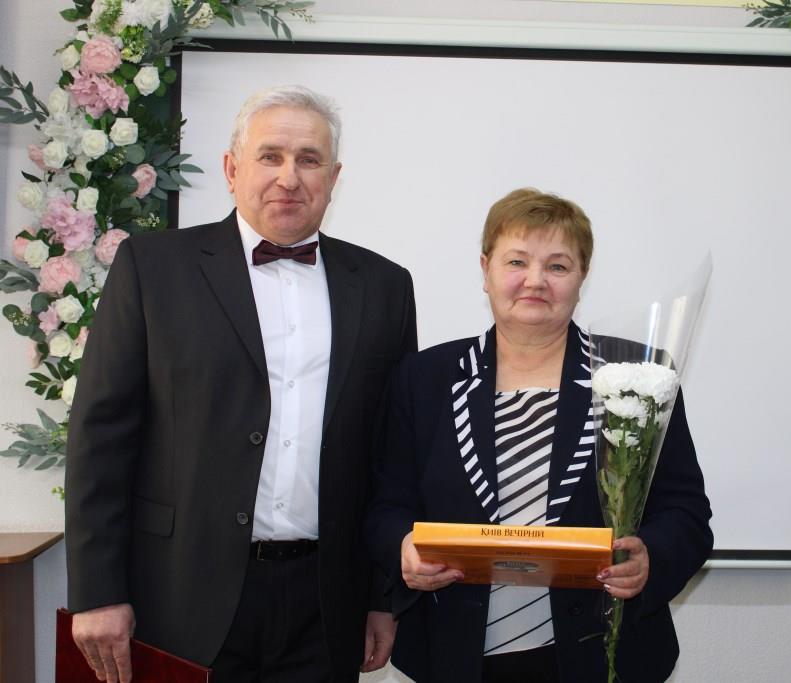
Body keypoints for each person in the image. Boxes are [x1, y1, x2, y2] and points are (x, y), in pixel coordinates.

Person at [65, 85, 416, 683]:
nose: (289, 177)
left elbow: (391, 454)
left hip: (326, 604)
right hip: (177, 594)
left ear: (334, 178)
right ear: (232, 169)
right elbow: (101, 438)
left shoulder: (385, 286)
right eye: (270, 156)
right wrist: (97, 592)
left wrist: (381, 596)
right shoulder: (152, 268)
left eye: (309, 159)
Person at [365, 188, 712, 682]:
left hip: (602, 657)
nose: (535, 280)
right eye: (516, 261)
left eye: (557, 266)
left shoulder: (636, 376)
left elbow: (686, 511)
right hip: (456, 656)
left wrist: (650, 558)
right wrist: (403, 547)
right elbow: (385, 506)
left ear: (581, 277)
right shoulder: (424, 378)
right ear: (485, 270)